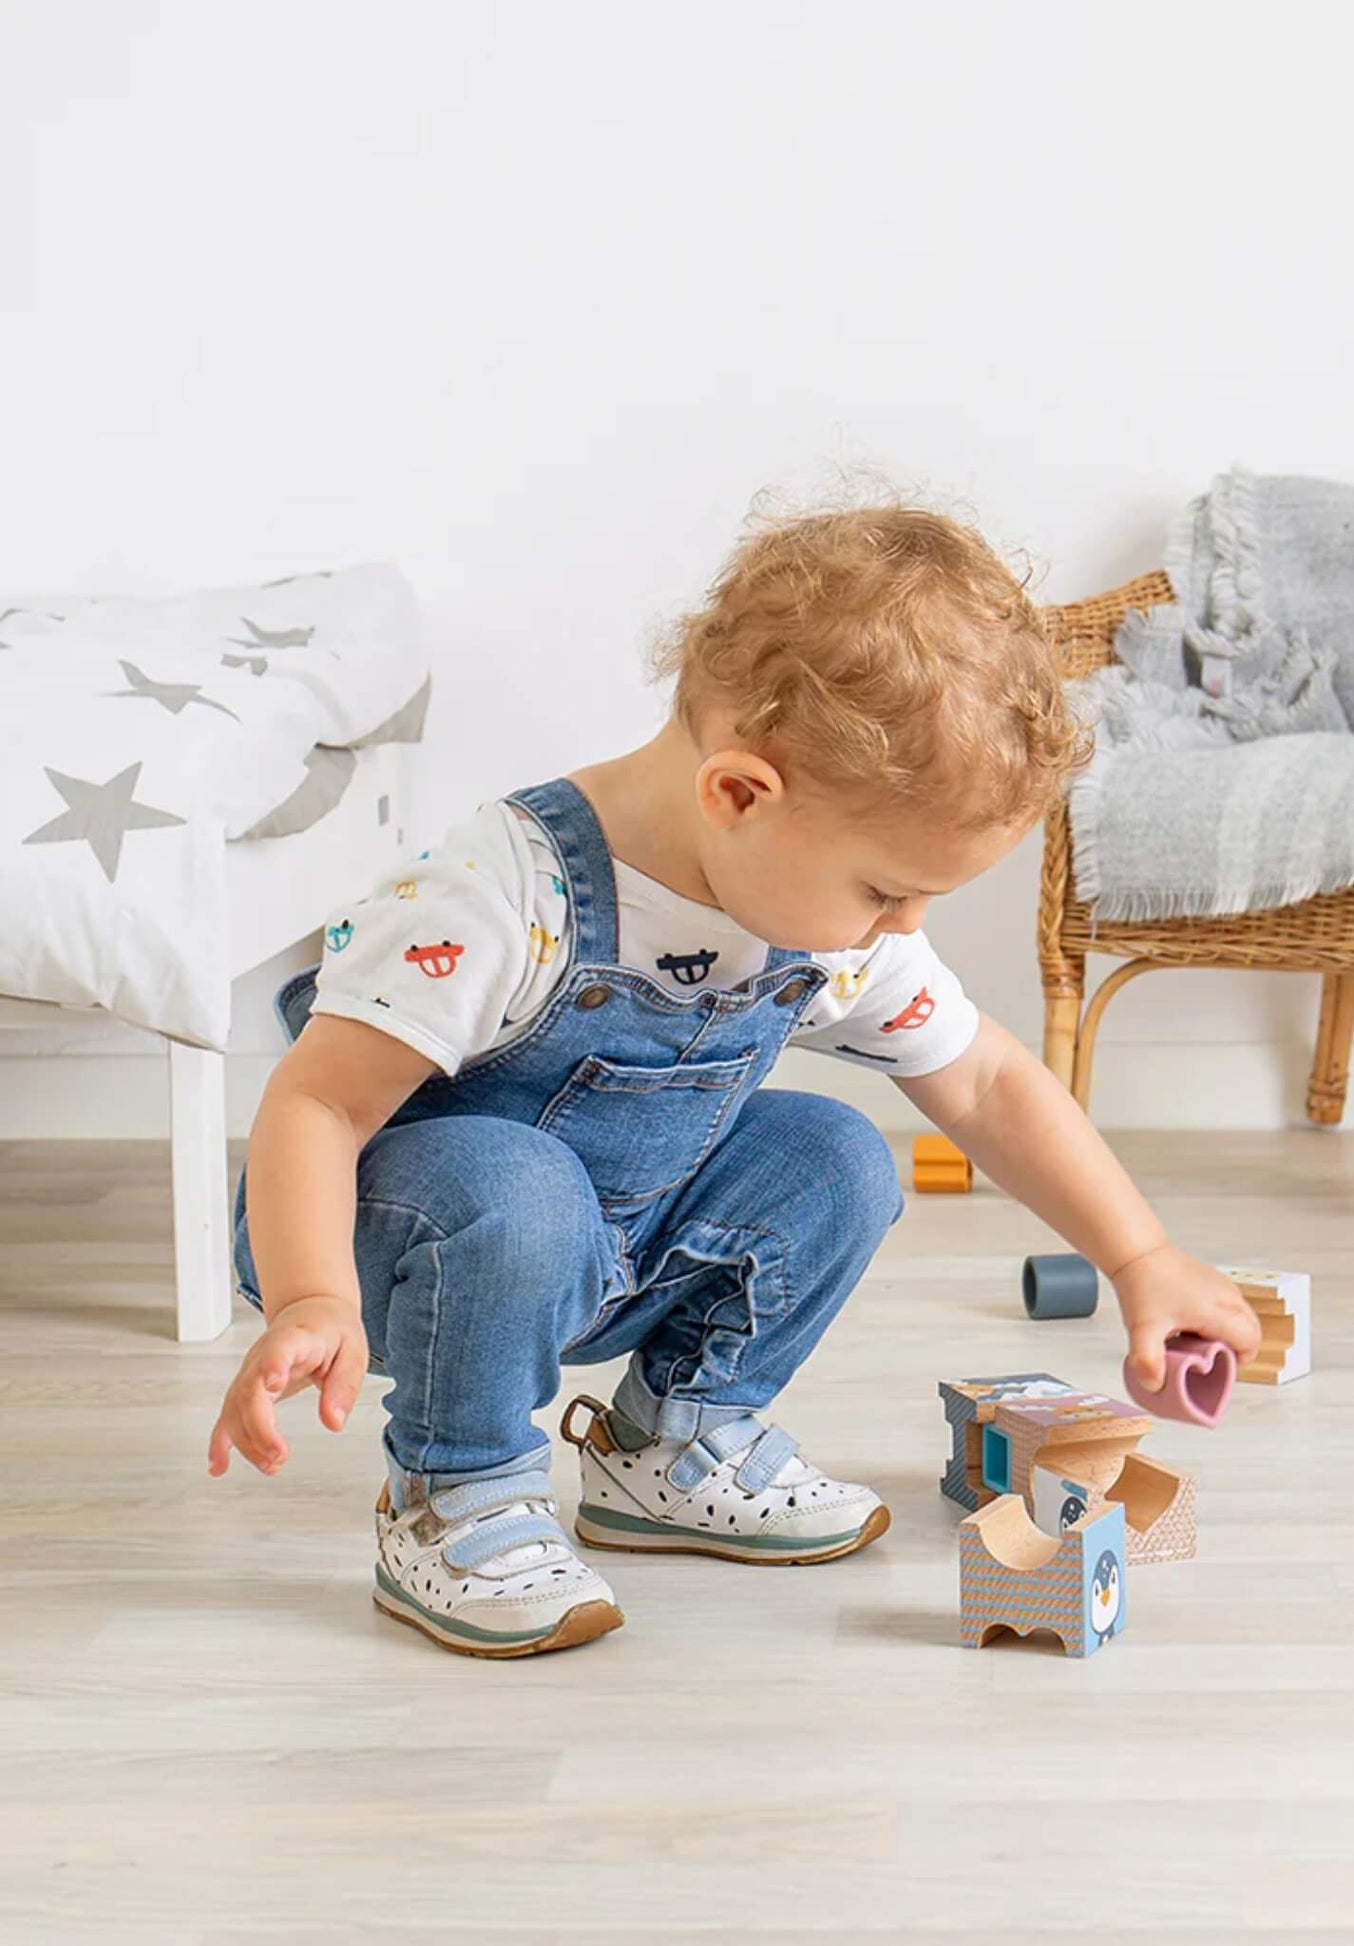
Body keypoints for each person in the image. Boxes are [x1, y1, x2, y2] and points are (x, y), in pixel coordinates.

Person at [208, 505, 1262, 1657]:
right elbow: (318, 1102)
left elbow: (988, 1082)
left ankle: (669, 1440)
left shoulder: (819, 922)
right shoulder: (503, 896)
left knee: (835, 1151)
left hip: (614, 1246)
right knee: (514, 1180)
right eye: (884, 889)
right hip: (392, 1243)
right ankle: (452, 1491)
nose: (901, 926)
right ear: (740, 794)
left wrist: (1138, 1255)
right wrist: (312, 1294)